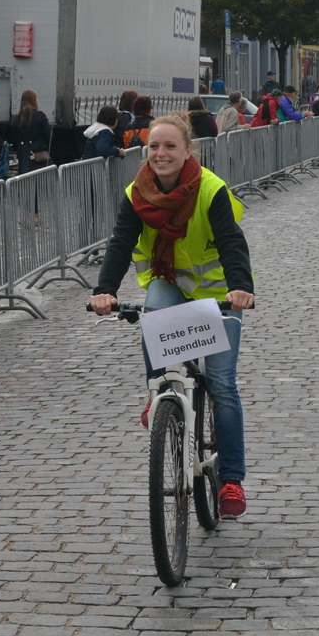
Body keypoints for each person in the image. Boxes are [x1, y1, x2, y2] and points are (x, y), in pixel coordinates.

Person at [90, 115, 255, 519]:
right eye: (153, 147)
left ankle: (231, 480)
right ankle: (159, 393)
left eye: (170, 147)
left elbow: (232, 241)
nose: (160, 154)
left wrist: (240, 288)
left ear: (187, 152)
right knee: (152, 314)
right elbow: (120, 242)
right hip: (169, 281)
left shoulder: (210, 189)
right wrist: (105, 291)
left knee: (220, 382)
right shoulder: (136, 193)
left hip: (217, 291)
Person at [10, 89, 52, 174]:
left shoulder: (17, 118)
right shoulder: (41, 116)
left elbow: (13, 138)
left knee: (24, 178)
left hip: (23, 154)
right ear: (34, 100)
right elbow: (48, 136)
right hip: (38, 154)